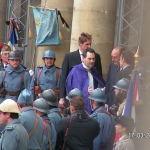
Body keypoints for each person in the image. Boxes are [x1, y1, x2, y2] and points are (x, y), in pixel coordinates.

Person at [59, 32, 103, 106]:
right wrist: (62, 97)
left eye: (90, 44)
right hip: (75, 96)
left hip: (92, 96)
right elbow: (64, 78)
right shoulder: (69, 57)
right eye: (87, 44)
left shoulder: (96, 57)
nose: (89, 46)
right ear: (80, 43)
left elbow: (99, 76)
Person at [66, 47, 105, 114]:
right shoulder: (75, 71)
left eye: (93, 59)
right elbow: (70, 90)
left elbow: (102, 85)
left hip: (95, 107)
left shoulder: (95, 70)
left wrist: (100, 90)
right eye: (89, 59)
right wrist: (85, 91)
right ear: (83, 58)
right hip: (80, 109)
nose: (92, 61)